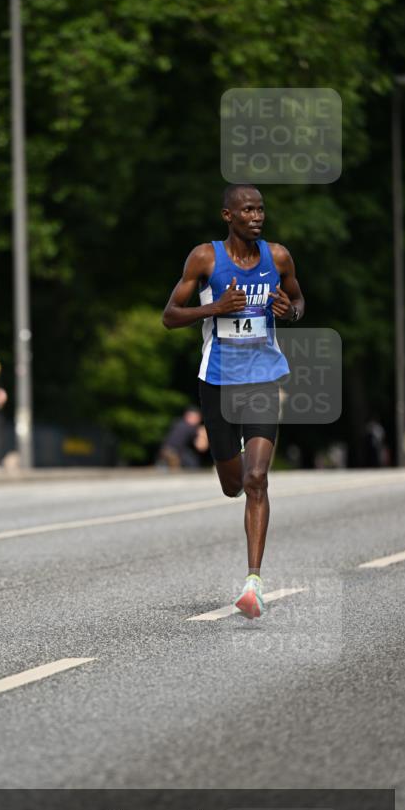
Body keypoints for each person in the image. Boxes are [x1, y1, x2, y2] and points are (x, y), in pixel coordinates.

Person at [162, 184, 305, 618]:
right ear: (228, 216)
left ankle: (253, 582)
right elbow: (169, 316)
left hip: (262, 378)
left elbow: (298, 299)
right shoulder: (204, 258)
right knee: (233, 484)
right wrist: (215, 308)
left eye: (260, 209)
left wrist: (290, 310)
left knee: (257, 479)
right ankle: (233, 462)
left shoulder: (277, 257)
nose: (256, 216)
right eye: (247, 210)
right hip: (219, 382)